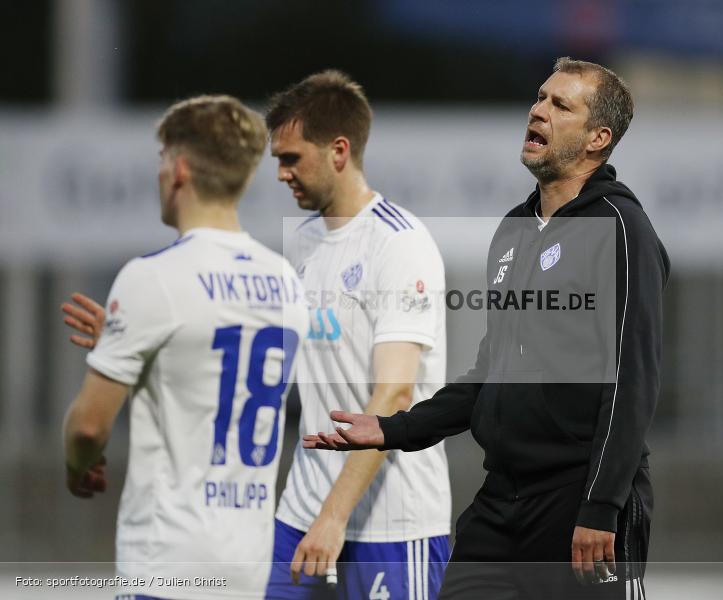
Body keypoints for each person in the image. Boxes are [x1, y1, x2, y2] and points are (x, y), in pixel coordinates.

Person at [305, 57, 670, 599]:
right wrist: (394, 429)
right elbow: (490, 374)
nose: (539, 111)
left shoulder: (620, 228)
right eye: (540, 98)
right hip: (501, 501)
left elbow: (633, 381)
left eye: (560, 105)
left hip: (579, 504)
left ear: (598, 138)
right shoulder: (514, 229)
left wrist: (601, 504)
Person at [60, 95, 309, 600]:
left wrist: (76, 463)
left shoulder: (153, 278)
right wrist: (128, 345)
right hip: (247, 569)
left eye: (160, 161)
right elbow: (210, 362)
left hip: (170, 565)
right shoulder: (286, 280)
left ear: (178, 169)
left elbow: (89, 427)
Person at [263, 70, 451, 600]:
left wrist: (334, 515)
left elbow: (392, 395)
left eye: (291, 158)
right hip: (302, 514)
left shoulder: (399, 244)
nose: (280, 173)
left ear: (338, 151)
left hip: (390, 524)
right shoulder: (298, 246)